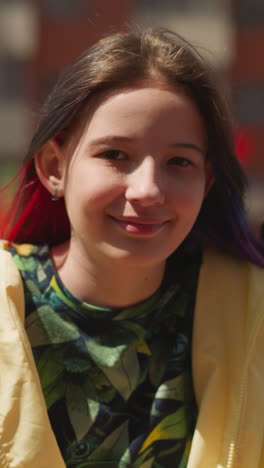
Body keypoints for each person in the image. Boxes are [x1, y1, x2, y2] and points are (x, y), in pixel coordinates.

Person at [0, 28, 264, 468]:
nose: (147, 190)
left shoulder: (253, 315)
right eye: (115, 155)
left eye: (179, 162)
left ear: (207, 182)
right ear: (54, 167)